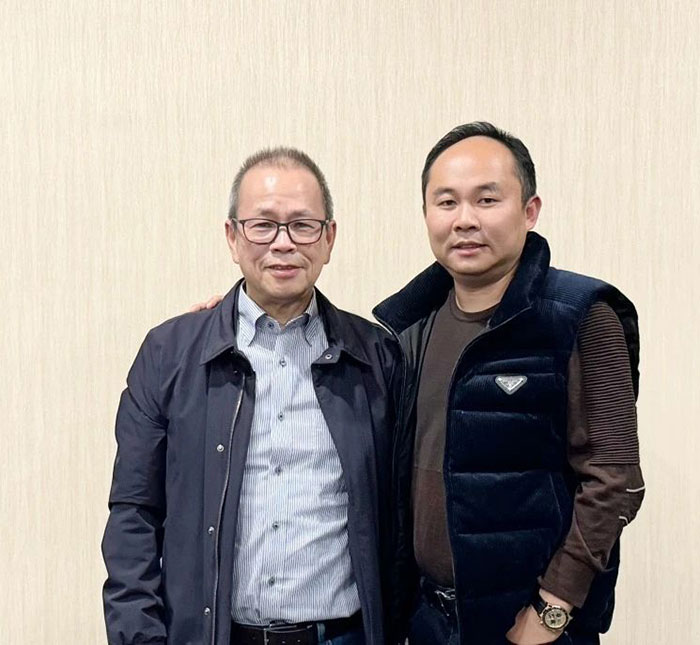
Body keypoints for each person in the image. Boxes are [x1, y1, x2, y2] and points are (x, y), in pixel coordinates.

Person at [101, 148, 400, 645]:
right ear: (232, 237)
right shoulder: (170, 354)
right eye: (263, 226)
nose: (283, 243)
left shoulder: (376, 358)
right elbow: (134, 514)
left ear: (329, 238)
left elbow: (404, 516)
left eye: (302, 225)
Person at [372, 122, 644, 644]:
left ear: (529, 210)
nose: (465, 219)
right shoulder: (408, 330)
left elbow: (616, 480)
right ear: (426, 214)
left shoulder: (581, 315)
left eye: (487, 199)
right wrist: (226, 315)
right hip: (427, 620)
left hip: (530, 624)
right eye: (446, 202)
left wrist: (552, 609)